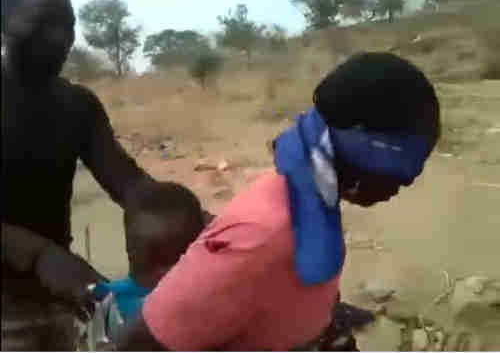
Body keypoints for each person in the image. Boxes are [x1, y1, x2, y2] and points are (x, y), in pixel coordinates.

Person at [116, 52, 442, 351]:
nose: (408, 180)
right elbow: (139, 343)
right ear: (358, 145)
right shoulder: (265, 235)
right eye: (403, 165)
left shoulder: (309, 200)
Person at [0, 0, 208, 351]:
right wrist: (39, 256)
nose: (60, 37)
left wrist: (207, 224)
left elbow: (128, 183)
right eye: (42, 22)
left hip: (62, 292)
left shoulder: (76, 105)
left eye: (68, 23)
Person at [81, 182, 206, 348]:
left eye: (170, 261)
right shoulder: (106, 301)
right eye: (146, 262)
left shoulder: (209, 303)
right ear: (128, 251)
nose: (158, 276)